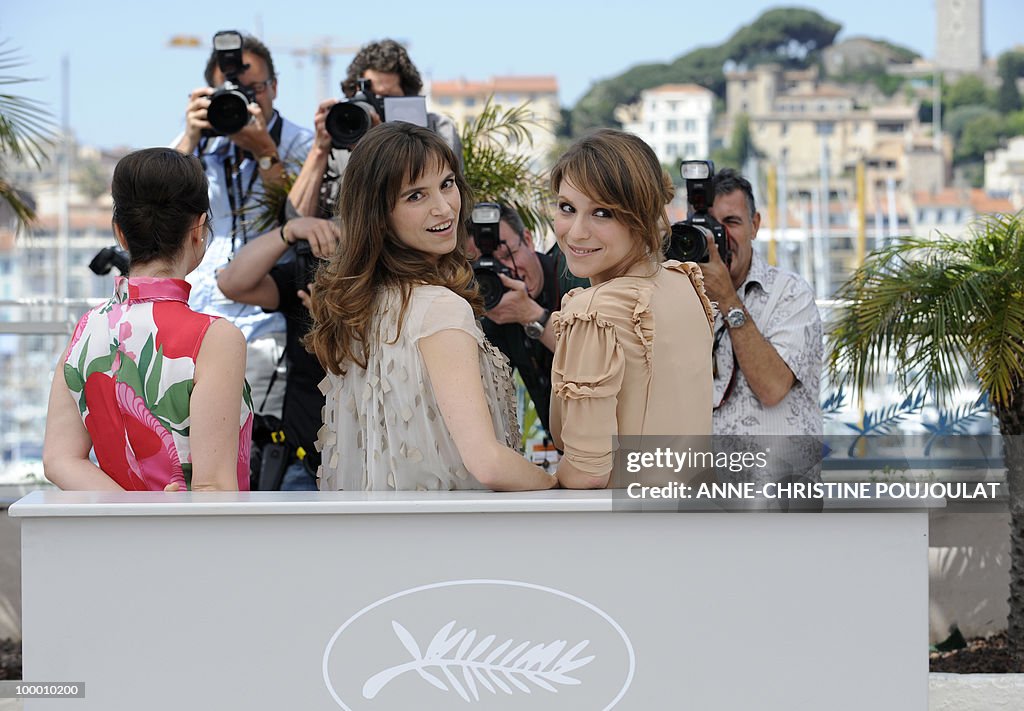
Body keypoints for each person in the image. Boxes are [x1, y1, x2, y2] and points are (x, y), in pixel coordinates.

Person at [306, 122, 555, 492]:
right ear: (378, 213)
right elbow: (487, 462)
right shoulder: (439, 308)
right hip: (450, 535)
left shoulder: (357, 307)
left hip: (376, 532)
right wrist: (556, 487)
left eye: (447, 184)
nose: (443, 208)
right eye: (415, 196)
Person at [42, 148, 252, 492]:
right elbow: (212, 487)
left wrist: (134, 513)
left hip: (115, 541)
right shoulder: (215, 338)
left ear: (120, 233)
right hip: (197, 542)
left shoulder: (86, 330)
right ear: (198, 229)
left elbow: (59, 460)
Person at [548, 129, 715, 490]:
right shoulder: (684, 283)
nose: (576, 232)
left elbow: (587, 471)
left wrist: (528, 479)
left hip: (622, 533)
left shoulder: (595, 310)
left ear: (642, 215)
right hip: (693, 518)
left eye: (602, 213)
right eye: (567, 208)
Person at [173, 34, 313, 418]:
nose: (247, 102)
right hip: (198, 320)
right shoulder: (200, 144)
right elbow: (159, 208)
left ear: (275, 87)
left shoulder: (302, 145)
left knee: (256, 453)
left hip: (266, 326)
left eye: (254, 90)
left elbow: (294, 221)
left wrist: (265, 152)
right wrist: (190, 136)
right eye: (230, 93)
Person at [700, 169, 823, 483]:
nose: (719, 237)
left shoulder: (791, 294)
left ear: (754, 225)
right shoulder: (683, 297)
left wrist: (727, 299)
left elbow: (772, 387)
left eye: (731, 222)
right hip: (709, 499)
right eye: (709, 225)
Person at [217, 216, 339, 491]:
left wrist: (332, 323)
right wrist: (289, 231)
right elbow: (231, 282)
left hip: (369, 468)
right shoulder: (311, 272)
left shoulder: (388, 278)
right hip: (302, 461)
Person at [288, 38, 461, 219]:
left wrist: (380, 148)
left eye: (385, 99)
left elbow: (436, 202)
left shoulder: (438, 129)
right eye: (368, 98)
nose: (374, 108)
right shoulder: (340, 137)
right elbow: (295, 217)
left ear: (408, 98)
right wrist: (319, 150)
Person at [476, 204, 559, 439]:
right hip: (568, 454)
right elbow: (483, 398)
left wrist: (532, 316)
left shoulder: (572, 277)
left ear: (528, 239)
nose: (502, 273)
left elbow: (595, 364)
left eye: (506, 256)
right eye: (485, 266)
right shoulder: (495, 312)